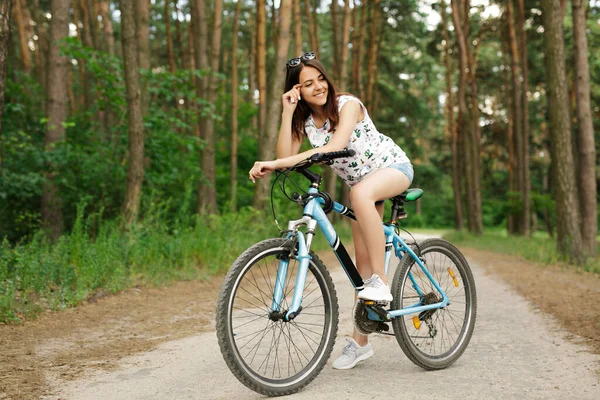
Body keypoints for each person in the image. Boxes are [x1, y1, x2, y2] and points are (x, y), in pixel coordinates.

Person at [248, 52, 413, 370]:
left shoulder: (348, 105)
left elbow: (332, 146)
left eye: (320, 79)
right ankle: (360, 343)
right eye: (307, 84)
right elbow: (287, 156)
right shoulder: (306, 121)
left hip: (393, 168)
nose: (318, 87)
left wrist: (274, 164)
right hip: (364, 189)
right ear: (298, 91)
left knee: (359, 195)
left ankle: (381, 281)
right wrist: (287, 112)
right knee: (359, 269)